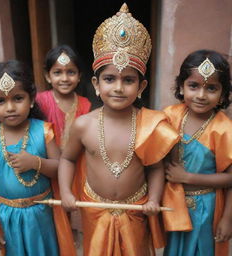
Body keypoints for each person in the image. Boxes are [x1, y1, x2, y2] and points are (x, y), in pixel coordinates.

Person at [59, 4, 180, 256]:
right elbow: (68, 159)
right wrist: (67, 192)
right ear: (95, 83)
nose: (118, 88)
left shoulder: (149, 123)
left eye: (128, 80)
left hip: (136, 210)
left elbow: (155, 167)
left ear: (141, 86)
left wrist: (154, 200)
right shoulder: (84, 124)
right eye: (109, 79)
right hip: (95, 209)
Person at [0, 60, 60, 256]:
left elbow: (60, 168)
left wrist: (35, 162)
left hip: (42, 214)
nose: (10, 107)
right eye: (0, 101)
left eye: (18, 98)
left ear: (31, 99)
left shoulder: (44, 131)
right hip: (8, 217)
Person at [163, 49, 232, 256]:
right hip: (173, 204)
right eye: (194, 86)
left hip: (206, 208)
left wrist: (228, 219)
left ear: (222, 94)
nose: (201, 95)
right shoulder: (170, 116)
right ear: (181, 87)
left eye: (211, 88)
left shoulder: (224, 129)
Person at [36, 44, 91, 254]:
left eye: (71, 72)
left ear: (79, 76)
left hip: (76, 164)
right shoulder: (40, 101)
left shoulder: (85, 103)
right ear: (48, 76)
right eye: (57, 72)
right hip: (49, 164)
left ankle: (72, 235)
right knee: (53, 207)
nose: (64, 78)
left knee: (73, 201)